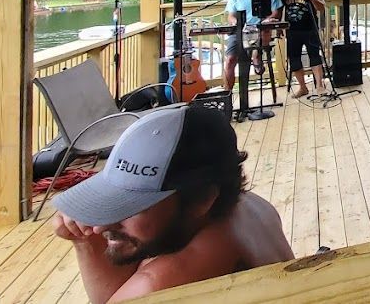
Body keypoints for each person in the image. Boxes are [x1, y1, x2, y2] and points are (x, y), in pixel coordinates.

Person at [51, 106, 293, 303]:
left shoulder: (163, 281)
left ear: (202, 199)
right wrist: (84, 242)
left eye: (133, 206)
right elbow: (118, 294)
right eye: (113, 200)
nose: (101, 227)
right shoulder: (250, 207)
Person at [223, 0, 283, 93]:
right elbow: (231, 15)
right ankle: (227, 94)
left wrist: (269, 19)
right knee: (230, 60)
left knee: (264, 30)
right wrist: (235, 22)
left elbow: (276, 12)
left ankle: (257, 55)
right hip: (240, 31)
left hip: (260, 29)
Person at [278, 0, 326, 98]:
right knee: (294, 59)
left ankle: (319, 86)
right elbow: (279, 11)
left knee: (315, 57)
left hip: (310, 28)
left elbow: (321, 7)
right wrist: (279, 28)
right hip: (292, 30)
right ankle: (303, 88)